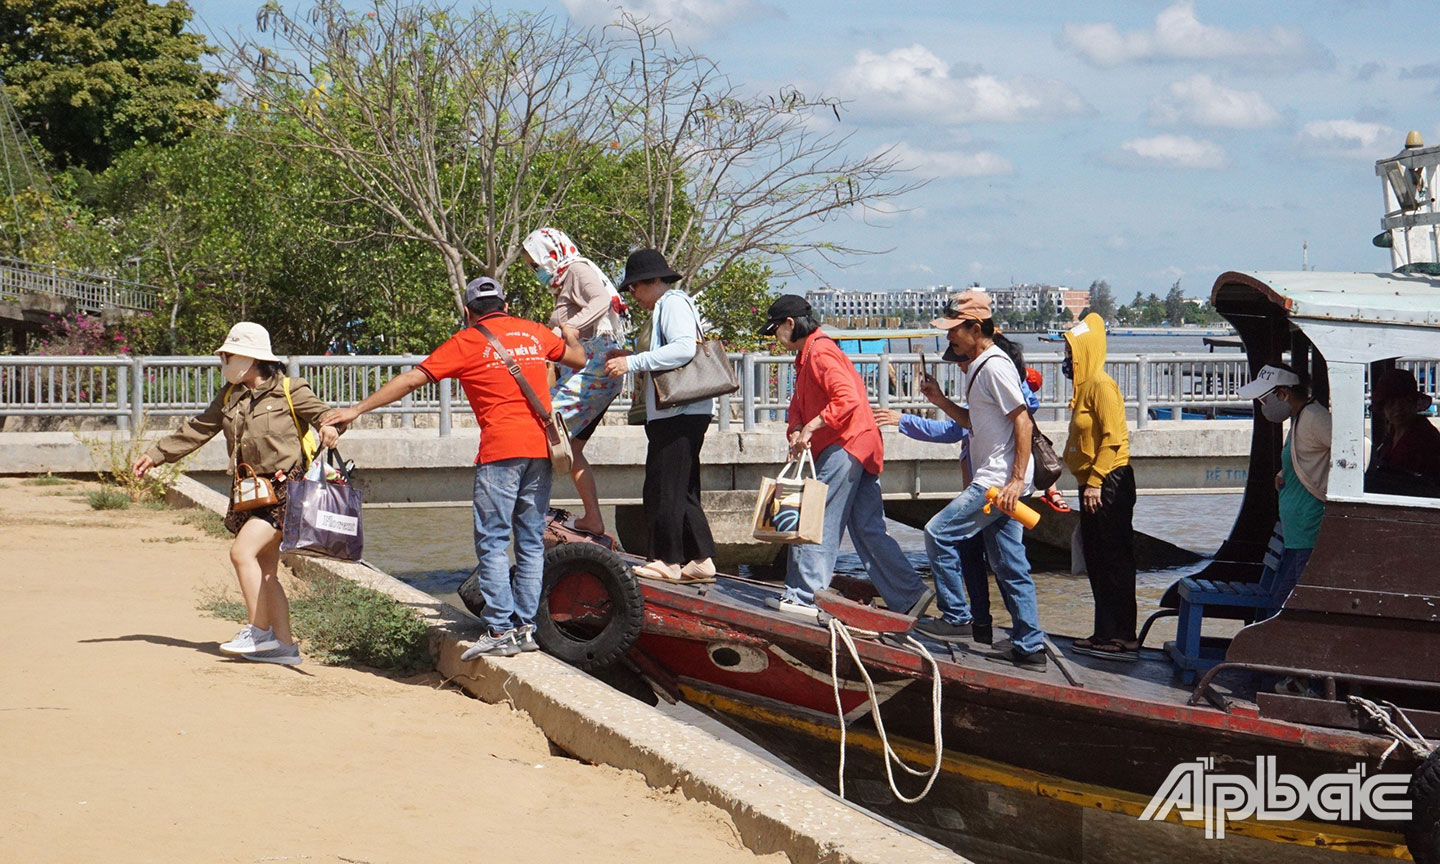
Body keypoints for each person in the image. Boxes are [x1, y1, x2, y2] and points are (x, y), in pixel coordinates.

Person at [319, 278, 586, 659]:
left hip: (500, 453)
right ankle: (525, 629)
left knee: (493, 540)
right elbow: (578, 359)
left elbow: (413, 379)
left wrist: (356, 410)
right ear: (505, 305)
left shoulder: (466, 342)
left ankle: (498, 628)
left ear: (467, 312)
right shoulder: (535, 332)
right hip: (541, 451)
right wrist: (571, 334)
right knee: (529, 540)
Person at [133, 322, 341, 666]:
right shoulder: (231, 395)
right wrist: (156, 455)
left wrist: (329, 427)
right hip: (250, 492)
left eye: (228, 355)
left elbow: (325, 415)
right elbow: (199, 427)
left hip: (284, 489)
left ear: (250, 358)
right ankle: (286, 647)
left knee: (241, 552)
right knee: (267, 569)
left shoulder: (290, 390)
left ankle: (259, 633)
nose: (224, 360)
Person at [761, 295, 933, 621]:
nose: (775, 339)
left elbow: (847, 398)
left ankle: (804, 597)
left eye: (775, 331)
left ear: (790, 324)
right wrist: (798, 429)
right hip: (861, 443)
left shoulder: (820, 352)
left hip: (846, 443)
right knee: (866, 527)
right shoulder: (810, 352)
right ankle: (910, 594)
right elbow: (800, 404)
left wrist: (810, 427)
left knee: (816, 520)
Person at [912, 290, 1046, 669]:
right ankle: (1029, 646)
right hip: (999, 480)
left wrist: (1016, 480)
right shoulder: (979, 367)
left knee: (938, 532)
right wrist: (938, 400)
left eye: (954, 330)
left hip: (997, 481)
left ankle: (956, 618)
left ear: (975, 327)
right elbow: (974, 423)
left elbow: (1022, 419)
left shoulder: (995, 366)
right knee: (1009, 563)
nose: (949, 338)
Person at [603, 249, 718, 584]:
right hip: (682, 411)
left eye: (635, 287)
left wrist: (632, 363)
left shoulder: (672, 303)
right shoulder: (668, 306)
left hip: (678, 412)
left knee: (662, 486)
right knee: (682, 487)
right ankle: (700, 558)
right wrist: (632, 354)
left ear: (652, 281)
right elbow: (668, 352)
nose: (633, 295)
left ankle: (667, 560)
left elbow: (683, 348)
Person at [522, 227, 628, 536]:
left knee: (544, 425)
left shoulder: (578, 269)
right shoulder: (562, 281)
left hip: (595, 367)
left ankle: (533, 509)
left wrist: (567, 328)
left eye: (535, 263)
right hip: (585, 369)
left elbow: (600, 301)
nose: (535, 271)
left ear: (550, 255)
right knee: (572, 449)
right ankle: (593, 518)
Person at [1060, 313, 1138, 661]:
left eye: (1070, 353)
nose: (1066, 360)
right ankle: (1104, 630)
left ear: (1085, 352)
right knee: (1097, 560)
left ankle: (1123, 636)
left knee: (1114, 560)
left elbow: (1114, 439)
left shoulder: (1101, 385)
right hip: (1091, 482)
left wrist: (1095, 482)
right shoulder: (1085, 388)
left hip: (1107, 483)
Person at [1237, 363, 1330, 614]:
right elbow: (1303, 458)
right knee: (1278, 604)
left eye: (1265, 398)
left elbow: (1356, 451)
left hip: (1308, 530)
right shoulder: (1300, 419)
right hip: (1296, 533)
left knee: (1286, 607)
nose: (1263, 405)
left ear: (1283, 394)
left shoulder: (1315, 418)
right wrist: (1284, 473)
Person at [1366, 367, 1440, 494]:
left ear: (1414, 403)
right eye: (1391, 403)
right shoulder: (1392, 433)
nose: (1398, 409)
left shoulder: (1426, 437)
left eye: (1404, 401)